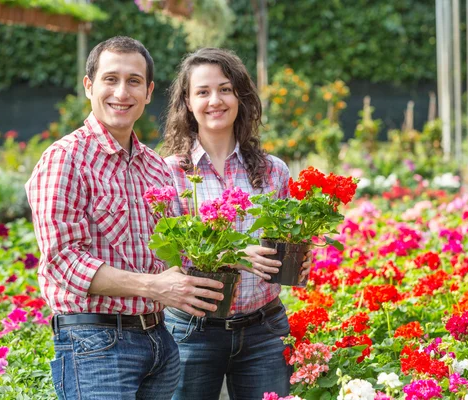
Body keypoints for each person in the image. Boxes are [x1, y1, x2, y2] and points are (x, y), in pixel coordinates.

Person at [25, 36, 225, 400]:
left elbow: (177, 252)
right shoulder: (65, 159)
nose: (122, 92)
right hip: (96, 344)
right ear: (89, 86)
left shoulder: (154, 167)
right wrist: (153, 287)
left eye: (134, 81)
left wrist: (236, 252)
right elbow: (63, 263)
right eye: (110, 79)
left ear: (148, 92)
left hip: (159, 340)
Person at [161, 47, 312, 400]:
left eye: (225, 89)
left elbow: (286, 242)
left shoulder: (273, 170)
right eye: (203, 91)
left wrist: (300, 261)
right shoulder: (169, 172)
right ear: (187, 101)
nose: (216, 100)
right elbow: (161, 258)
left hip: (264, 329)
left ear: (240, 97)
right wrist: (237, 251)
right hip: (191, 330)